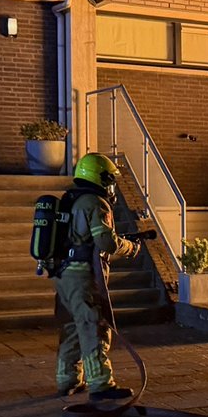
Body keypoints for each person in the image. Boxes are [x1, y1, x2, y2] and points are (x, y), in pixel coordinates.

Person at [53, 152, 141, 401]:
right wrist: (130, 247)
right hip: (82, 275)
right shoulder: (95, 202)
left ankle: (67, 379)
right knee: (94, 325)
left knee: (71, 326)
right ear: (99, 177)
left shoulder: (70, 198)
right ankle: (101, 384)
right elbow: (106, 242)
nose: (111, 186)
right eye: (109, 179)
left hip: (63, 273)